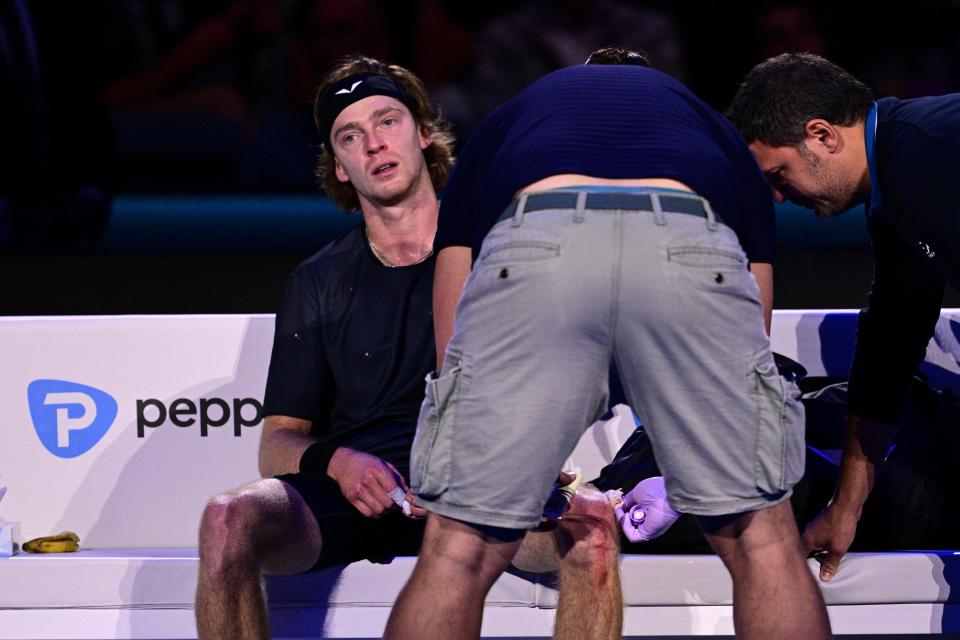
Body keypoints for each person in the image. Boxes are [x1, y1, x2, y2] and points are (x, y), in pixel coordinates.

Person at [385, 50, 831, 640]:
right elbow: (756, 306)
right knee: (762, 539)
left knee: (458, 548)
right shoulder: (707, 124)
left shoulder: (514, 115)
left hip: (540, 232)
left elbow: (456, 280)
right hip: (687, 233)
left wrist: (475, 439)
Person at [194, 54, 628, 640]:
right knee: (228, 520)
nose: (373, 144)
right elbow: (277, 442)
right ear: (340, 167)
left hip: (482, 490)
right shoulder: (317, 281)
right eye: (351, 135)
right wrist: (342, 463)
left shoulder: (504, 253)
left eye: (388, 121)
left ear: (424, 133)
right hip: (359, 498)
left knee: (594, 527)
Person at [726, 51, 960, 582]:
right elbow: (887, 354)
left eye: (779, 174)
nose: (780, 199)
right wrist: (845, 509)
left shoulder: (930, 154)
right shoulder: (900, 187)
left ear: (823, 135)